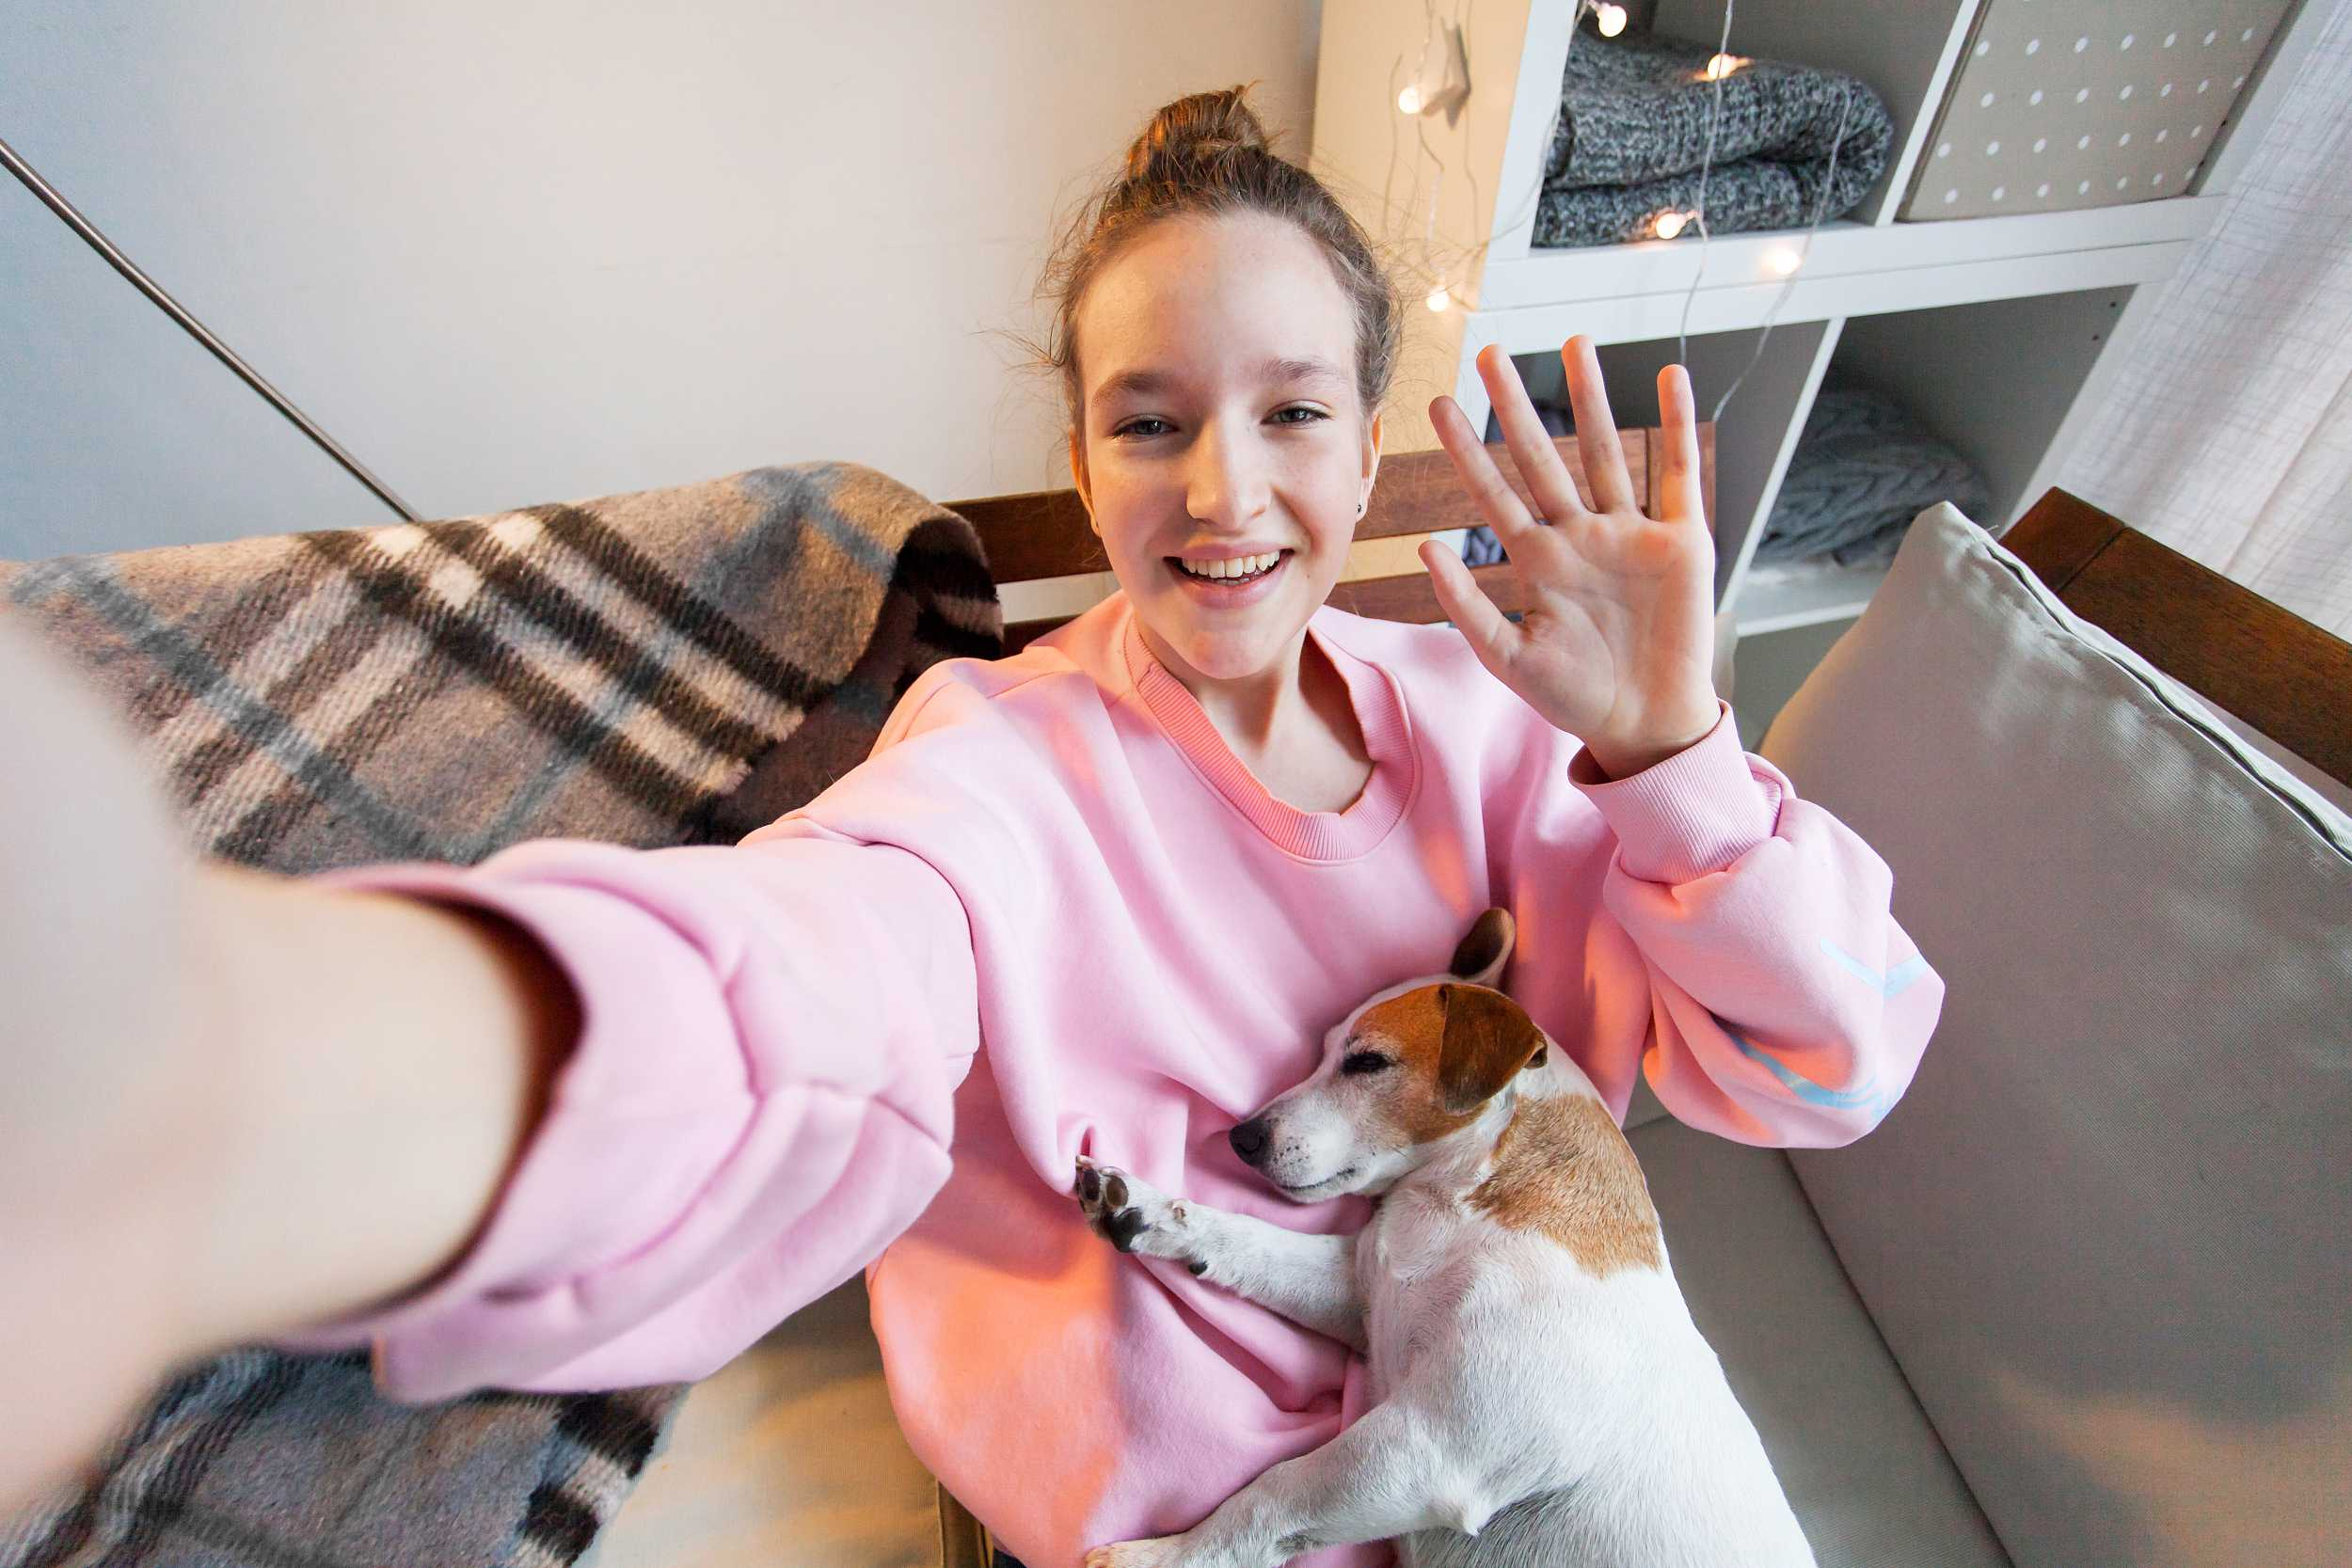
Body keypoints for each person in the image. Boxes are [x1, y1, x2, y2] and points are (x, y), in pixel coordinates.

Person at [0, 87, 1943, 1568]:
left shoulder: (1505, 732)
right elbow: (806, 975)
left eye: (1290, 413)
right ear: (1080, 459)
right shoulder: (1001, 758)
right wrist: (307, 1048)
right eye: (1150, 419)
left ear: (1369, 444)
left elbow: (1828, 1065)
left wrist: (1675, 746)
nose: (1222, 490)